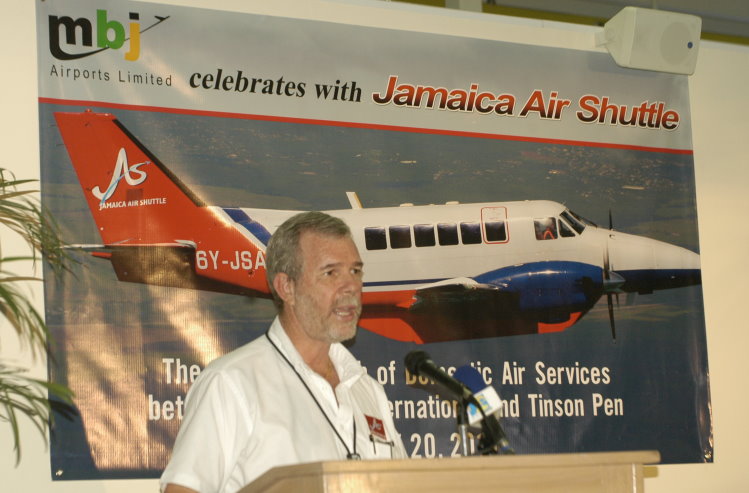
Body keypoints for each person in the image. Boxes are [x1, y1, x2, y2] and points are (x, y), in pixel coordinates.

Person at [160, 211, 406, 493]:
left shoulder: (367, 389)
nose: (350, 286)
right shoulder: (231, 383)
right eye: (331, 273)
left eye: (355, 271)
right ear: (286, 287)